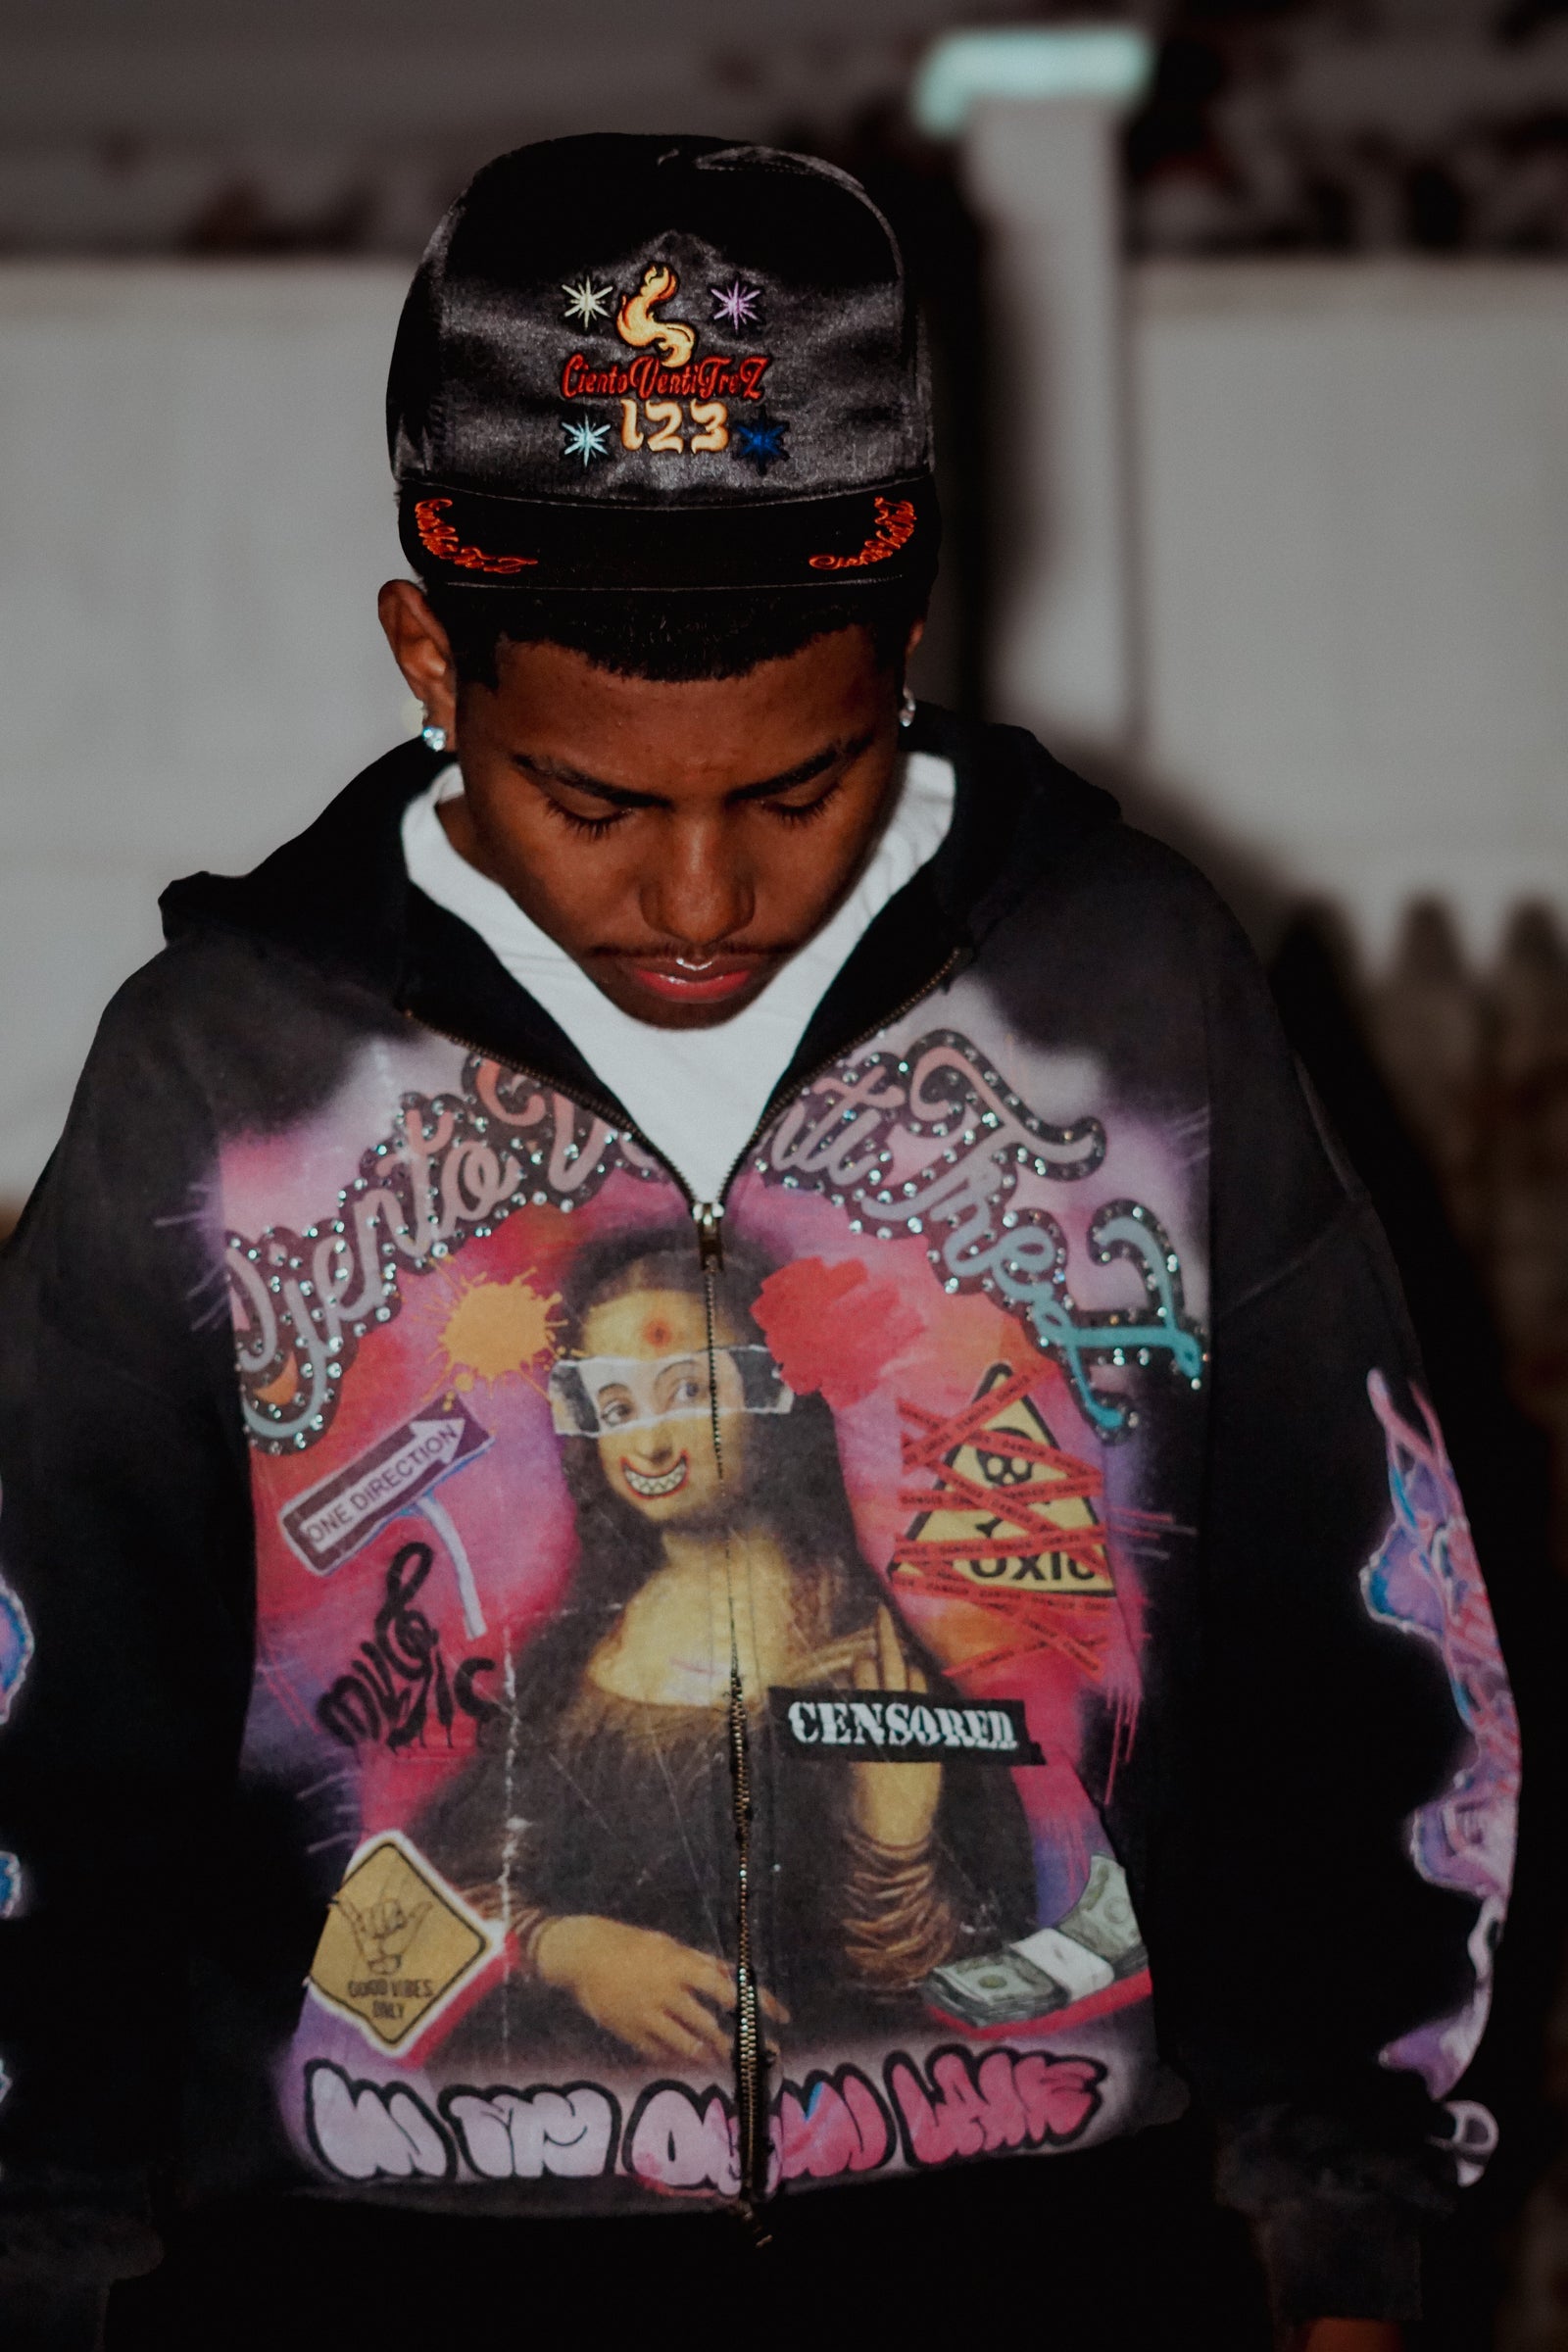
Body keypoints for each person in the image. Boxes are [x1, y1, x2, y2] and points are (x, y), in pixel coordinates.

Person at [0, 134, 1519, 2351]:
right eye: (595, 804)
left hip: (1054, 2271)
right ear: (432, 658)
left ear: (903, 647)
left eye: (797, 790)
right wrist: (50, 2248)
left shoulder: (1128, 996)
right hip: (374, 2284)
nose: (701, 899)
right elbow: (63, 1731)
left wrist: (1350, 2212)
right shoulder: (225, 1073)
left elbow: (1354, 1627)